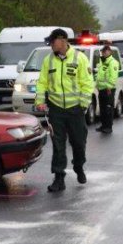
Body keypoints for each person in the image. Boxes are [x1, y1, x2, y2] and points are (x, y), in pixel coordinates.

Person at [34, 28, 94, 192]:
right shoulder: (48, 60)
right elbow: (42, 82)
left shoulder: (79, 58)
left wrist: (83, 104)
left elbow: (87, 83)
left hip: (76, 110)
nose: (51, 45)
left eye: (53, 42)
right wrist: (40, 100)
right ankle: (59, 178)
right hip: (56, 110)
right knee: (58, 145)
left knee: (79, 143)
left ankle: (79, 166)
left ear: (62, 40)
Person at [94, 45, 119, 134]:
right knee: (102, 108)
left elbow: (113, 76)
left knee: (108, 109)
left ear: (110, 52)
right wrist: (97, 84)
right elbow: (99, 75)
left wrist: (109, 86)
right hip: (101, 88)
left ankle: (109, 127)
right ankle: (103, 125)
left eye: (105, 51)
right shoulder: (102, 62)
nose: (104, 53)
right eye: (103, 52)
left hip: (108, 89)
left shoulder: (113, 62)